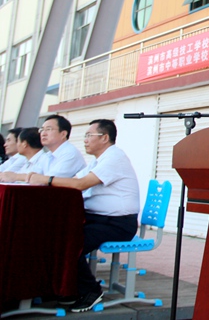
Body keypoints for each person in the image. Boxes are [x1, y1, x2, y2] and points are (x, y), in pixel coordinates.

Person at [27, 119, 140, 313]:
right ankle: (65, 290)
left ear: (104, 138)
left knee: (71, 244)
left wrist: (46, 179)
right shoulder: (98, 160)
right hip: (97, 219)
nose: (85, 140)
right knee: (53, 237)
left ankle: (90, 291)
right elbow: (74, 180)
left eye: (89, 135)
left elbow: (81, 184)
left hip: (117, 224)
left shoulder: (114, 157)